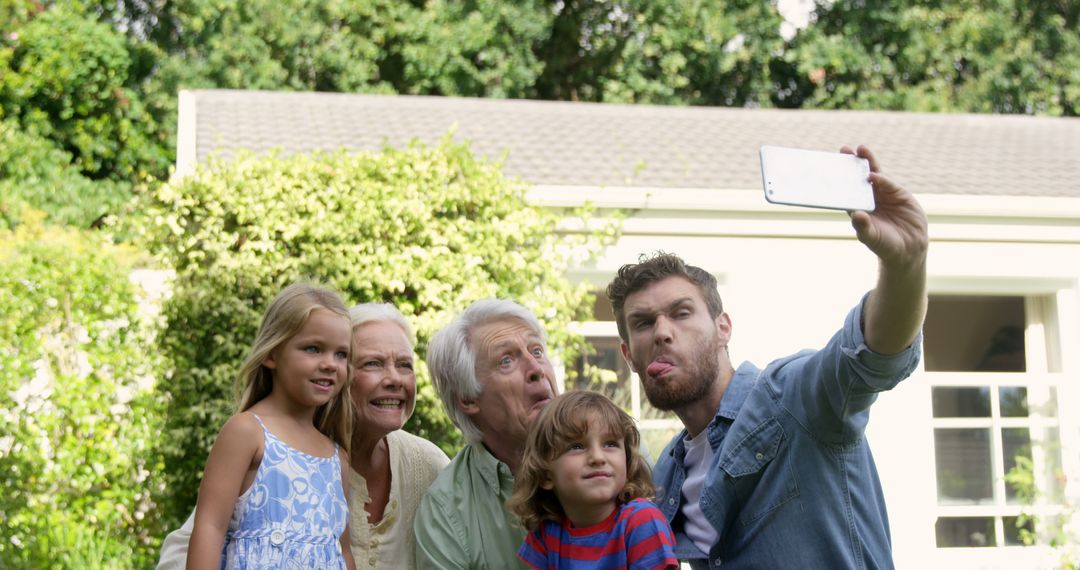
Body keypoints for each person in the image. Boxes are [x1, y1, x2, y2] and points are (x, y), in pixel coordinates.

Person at [605, 146, 928, 569]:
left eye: (681, 313)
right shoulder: (666, 472)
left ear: (723, 328)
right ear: (629, 355)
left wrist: (905, 264)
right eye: (644, 323)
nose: (663, 332)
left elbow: (872, 356)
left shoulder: (790, 398)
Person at [159, 301, 448, 570]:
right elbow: (199, 537)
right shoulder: (257, 436)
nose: (394, 379)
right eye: (372, 363)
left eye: (404, 365)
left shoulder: (423, 464)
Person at [186, 283, 357, 570]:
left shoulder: (336, 458)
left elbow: (343, 551)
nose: (330, 364)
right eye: (313, 349)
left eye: (341, 354)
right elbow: (209, 528)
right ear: (271, 355)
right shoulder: (247, 432)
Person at [415, 298, 559, 569]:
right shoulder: (446, 511)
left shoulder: (614, 448)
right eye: (506, 361)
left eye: (537, 351)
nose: (537, 370)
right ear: (468, 398)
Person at [508, 390, 678, 570]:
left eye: (610, 444)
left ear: (627, 462)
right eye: (577, 446)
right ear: (545, 475)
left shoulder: (641, 521)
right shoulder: (548, 533)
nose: (598, 457)